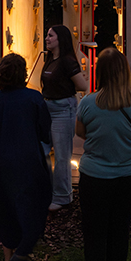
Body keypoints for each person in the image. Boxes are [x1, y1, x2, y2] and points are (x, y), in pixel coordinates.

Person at [75, 48, 131, 261]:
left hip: (95, 176)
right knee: (119, 229)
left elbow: (81, 133)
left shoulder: (88, 103)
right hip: (129, 176)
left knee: (94, 234)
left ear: (100, 73)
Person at [0, 53, 52, 261]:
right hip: (27, 161)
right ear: (23, 73)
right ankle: (23, 252)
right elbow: (45, 132)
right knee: (35, 205)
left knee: (5, 209)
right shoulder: (34, 99)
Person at [41, 25, 88, 211]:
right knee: (43, 150)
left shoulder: (68, 61)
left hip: (62, 109)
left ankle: (62, 196)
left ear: (60, 39)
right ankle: (48, 191)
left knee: (61, 155)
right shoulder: (50, 59)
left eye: (50, 35)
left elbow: (82, 86)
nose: (47, 38)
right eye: (46, 35)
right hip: (47, 108)